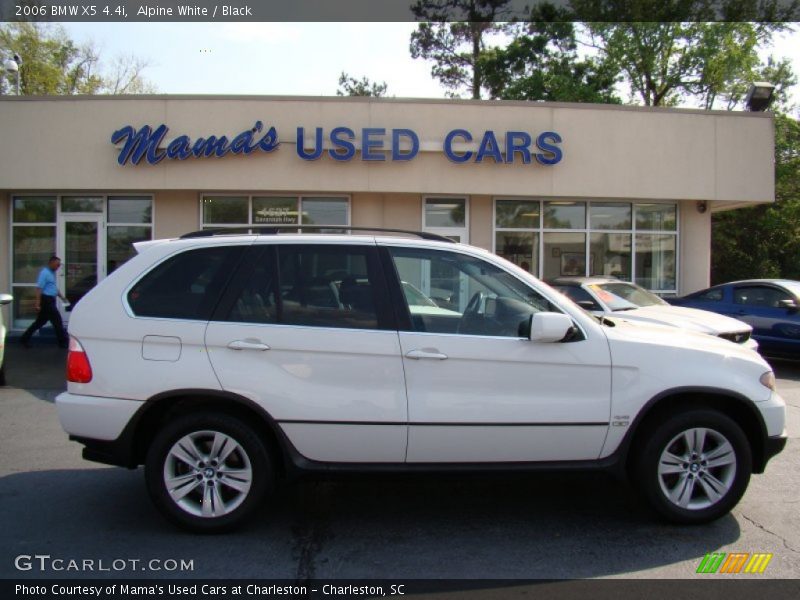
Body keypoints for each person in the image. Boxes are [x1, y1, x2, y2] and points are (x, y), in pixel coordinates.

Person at [20, 256, 68, 348]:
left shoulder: (51, 273)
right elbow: (39, 289)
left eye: (59, 265)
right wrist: (37, 303)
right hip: (46, 300)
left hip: (50, 300)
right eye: (57, 265)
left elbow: (53, 288)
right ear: (51, 263)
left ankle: (24, 339)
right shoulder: (44, 273)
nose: (58, 267)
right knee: (57, 321)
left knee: (40, 322)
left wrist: (62, 297)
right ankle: (63, 342)